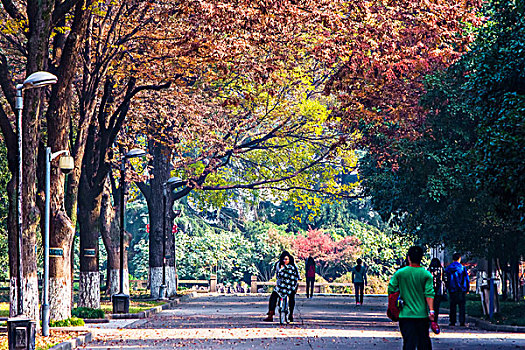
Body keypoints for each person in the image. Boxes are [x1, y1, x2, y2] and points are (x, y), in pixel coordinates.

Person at [388, 246, 435, 350]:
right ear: (421, 258)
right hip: (422, 315)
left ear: (408, 257)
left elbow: (391, 288)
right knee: (423, 343)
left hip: (405, 315)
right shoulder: (426, 275)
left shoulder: (400, 273)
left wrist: (400, 294)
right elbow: (429, 293)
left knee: (409, 342)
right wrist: (431, 311)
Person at [263, 251, 300, 322]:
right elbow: (277, 275)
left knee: (292, 297)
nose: (284, 261)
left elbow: (297, 277)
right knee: (273, 296)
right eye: (283, 259)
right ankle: (270, 314)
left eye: (286, 259)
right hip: (281, 286)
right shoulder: (278, 265)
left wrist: (295, 287)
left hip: (290, 286)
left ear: (289, 260)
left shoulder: (293, 266)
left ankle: (291, 314)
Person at [445, 252, 470, 327]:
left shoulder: (448, 268)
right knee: (462, 306)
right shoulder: (462, 268)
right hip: (461, 290)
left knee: (452, 306)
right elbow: (466, 279)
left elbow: (446, 279)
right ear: (459, 259)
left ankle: (452, 321)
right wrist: (467, 289)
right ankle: (462, 321)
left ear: (453, 259)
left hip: (452, 289)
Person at [428, 258, 444, 323]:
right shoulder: (441, 270)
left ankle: (430, 319)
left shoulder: (429, 270)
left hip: (430, 290)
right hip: (438, 290)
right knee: (436, 307)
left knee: (430, 306)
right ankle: (435, 320)